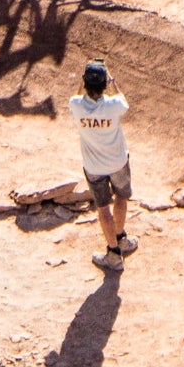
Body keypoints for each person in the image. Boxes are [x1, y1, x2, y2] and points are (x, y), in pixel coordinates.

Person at [69, 59, 138, 272]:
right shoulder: (114, 106)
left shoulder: (76, 105)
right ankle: (121, 238)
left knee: (103, 208)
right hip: (118, 162)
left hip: (94, 167)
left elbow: (77, 95)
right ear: (105, 84)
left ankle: (113, 253)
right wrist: (112, 80)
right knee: (121, 198)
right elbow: (122, 99)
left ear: (85, 82)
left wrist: (83, 80)